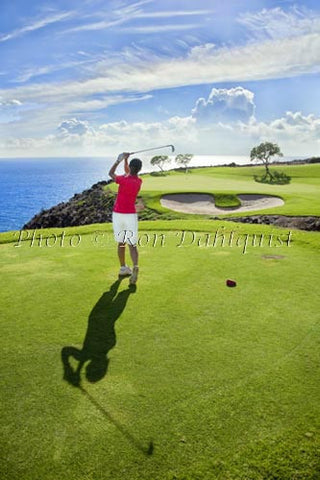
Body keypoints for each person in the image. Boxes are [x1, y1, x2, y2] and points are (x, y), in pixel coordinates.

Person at [108, 152, 142, 284]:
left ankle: (123, 268)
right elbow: (129, 172)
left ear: (131, 167)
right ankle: (135, 267)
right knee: (132, 244)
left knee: (121, 243)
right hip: (130, 215)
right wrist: (126, 160)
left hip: (118, 214)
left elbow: (110, 174)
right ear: (139, 169)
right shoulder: (139, 181)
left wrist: (118, 160)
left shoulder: (123, 179)